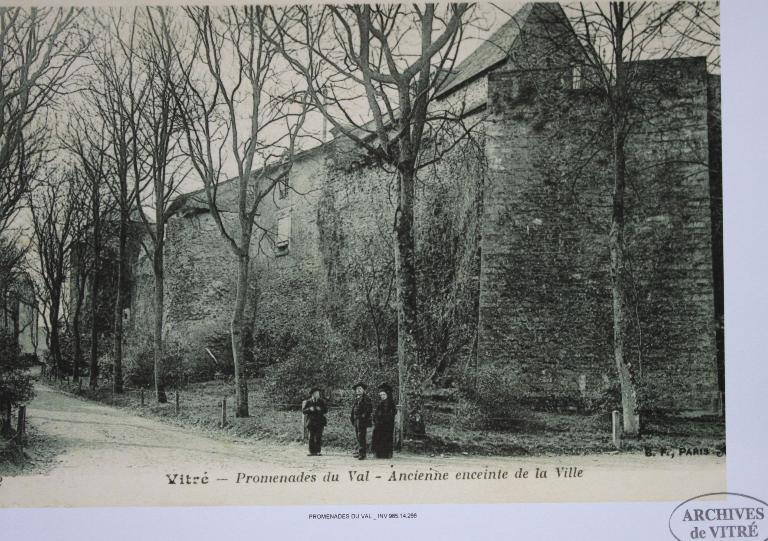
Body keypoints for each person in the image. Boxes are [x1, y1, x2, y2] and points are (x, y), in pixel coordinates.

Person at [372, 383, 397, 459]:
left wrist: (384, 419)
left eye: (384, 395)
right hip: (379, 424)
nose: (382, 396)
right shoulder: (380, 403)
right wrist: (376, 419)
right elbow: (376, 413)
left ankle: (386, 454)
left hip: (387, 424)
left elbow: (392, 413)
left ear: (387, 394)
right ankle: (379, 454)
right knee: (379, 438)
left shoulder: (391, 403)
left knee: (386, 438)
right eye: (381, 395)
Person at [349, 382, 372, 460]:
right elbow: (353, 409)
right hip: (356, 420)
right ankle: (360, 452)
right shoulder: (357, 399)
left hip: (362, 421)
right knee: (358, 437)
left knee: (361, 436)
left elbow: (368, 410)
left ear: (363, 390)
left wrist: (362, 417)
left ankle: (363, 454)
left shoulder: (366, 399)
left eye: (360, 389)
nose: (358, 390)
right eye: (357, 389)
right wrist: (352, 418)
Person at [303, 387, 327, 456]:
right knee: (311, 437)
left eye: (318, 393)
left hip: (320, 422)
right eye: (316, 393)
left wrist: (320, 409)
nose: (317, 395)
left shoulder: (322, 401)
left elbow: (326, 410)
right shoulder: (308, 401)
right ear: (312, 394)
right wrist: (309, 409)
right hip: (311, 422)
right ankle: (311, 451)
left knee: (318, 437)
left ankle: (318, 451)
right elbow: (304, 411)